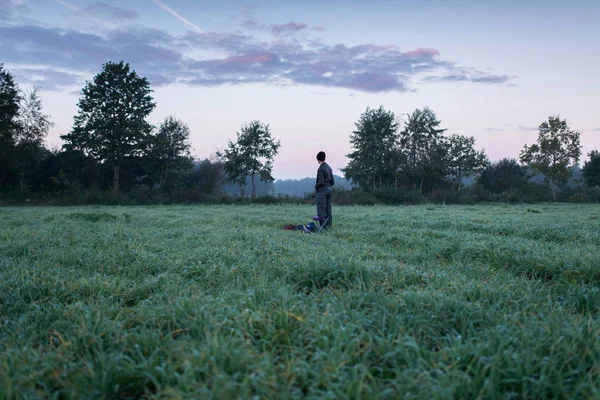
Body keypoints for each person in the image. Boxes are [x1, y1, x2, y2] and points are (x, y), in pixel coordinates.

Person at [315, 151, 334, 229]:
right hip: (329, 189)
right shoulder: (329, 168)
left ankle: (323, 228)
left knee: (321, 209)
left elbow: (321, 182)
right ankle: (329, 226)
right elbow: (333, 182)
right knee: (328, 209)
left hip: (322, 191)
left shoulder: (320, 169)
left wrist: (316, 187)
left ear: (318, 159)